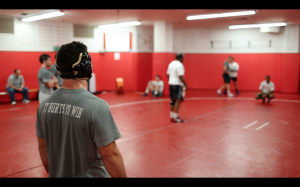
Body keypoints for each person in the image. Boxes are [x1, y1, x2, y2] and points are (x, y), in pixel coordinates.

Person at [36, 41, 127, 178]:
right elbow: (111, 156)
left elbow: (43, 149)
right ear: (86, 66)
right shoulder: (96, 106)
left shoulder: (44, 106)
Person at [167, 53, 188, 123]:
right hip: (177, 85)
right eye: (183, 58)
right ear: (181, 58)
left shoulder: (171, 64)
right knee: (177, 101)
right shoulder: (180, 65)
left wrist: (170, 81)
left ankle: (172, 116)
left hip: (171, 83)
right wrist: (185, 84)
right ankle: (176, 117)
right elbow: (180, 76)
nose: (183, 59)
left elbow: (167, 74)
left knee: (172, 101)